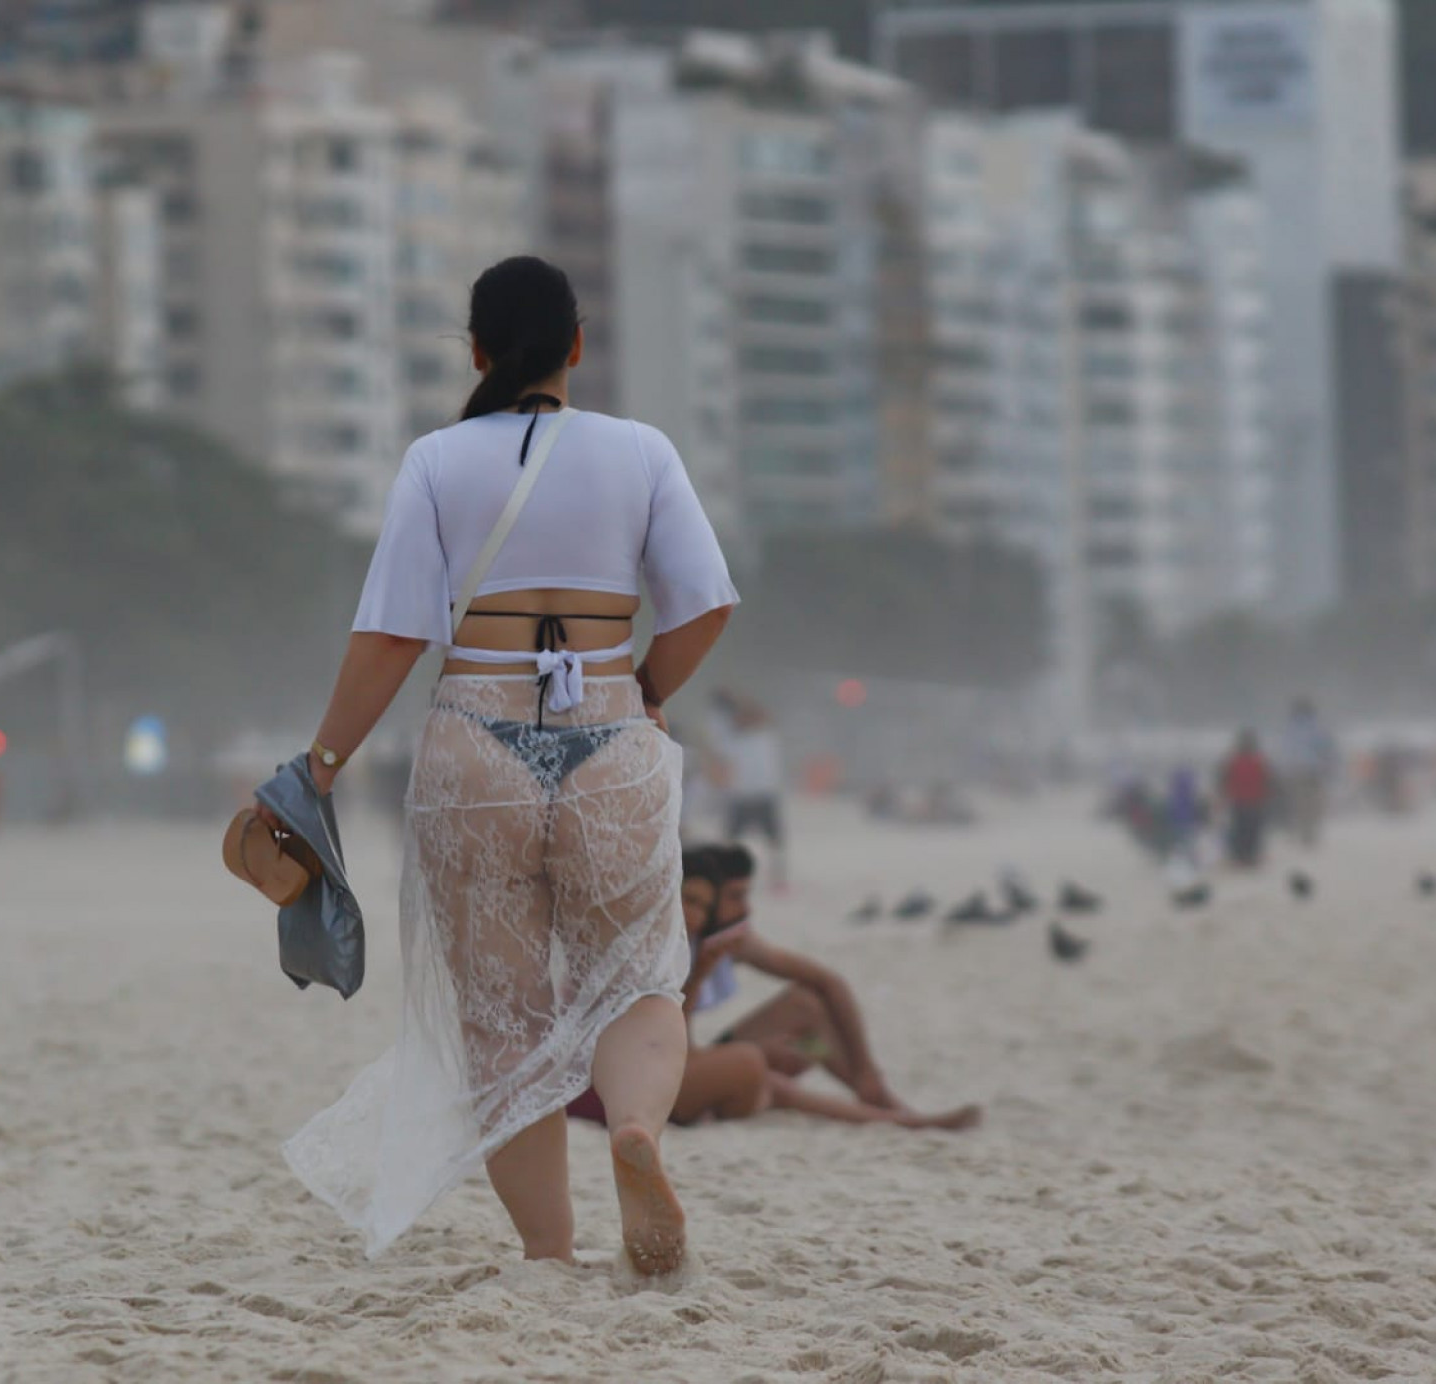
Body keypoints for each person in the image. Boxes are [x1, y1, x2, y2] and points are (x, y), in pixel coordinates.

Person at [278, 256, 739, 1277]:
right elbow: (706, 604)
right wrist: (649, 690)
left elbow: (391, 637)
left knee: (504, 1012)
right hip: (611, 735)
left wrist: (320, 764)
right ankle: (634, 1132)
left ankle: (550, 1251)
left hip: (475, 738)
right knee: (639, 979)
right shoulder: (642, 453)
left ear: (478, 353)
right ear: (578, 346)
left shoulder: (438, 462)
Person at [673, 849, 980, 1129]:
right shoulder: (672, 943)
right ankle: (897, 1118)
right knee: (760, 1067)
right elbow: (671, 1042)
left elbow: (828, 981)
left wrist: (866, 1069)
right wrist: (699, 975)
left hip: (694, 1054)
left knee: (806, 1019)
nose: (745, 908)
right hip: (677, 1062)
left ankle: (874, 1095)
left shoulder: (727, 939)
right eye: (734, 897)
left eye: (705, 904)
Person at [711, 692, 787, 888]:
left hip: (764, 795)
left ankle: (778, 878)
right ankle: (726, 876)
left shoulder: (765, 735)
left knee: (775, 841)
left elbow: (764, 714)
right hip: (741, 796)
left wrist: (741, 703)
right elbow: (720, 761)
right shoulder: (731, 740)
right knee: (730, 841)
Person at [1275, 698, 1336, 848]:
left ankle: (1300, 831)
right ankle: (1309, 833)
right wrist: (1328, 767)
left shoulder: (1288, 729)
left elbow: (1283, 751)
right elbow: (1327, 749)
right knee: (1313, 805)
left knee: (1297, 804)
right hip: (1313, 772)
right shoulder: (1316, 728)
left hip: (1293, 772)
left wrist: (1282, 771)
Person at [1219, 730, 1273, 868]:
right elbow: (1267, 781)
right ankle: (1250, 856)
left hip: (1239, 801)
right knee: (1252, 830)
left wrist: (1223, 794)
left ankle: (1240, 856)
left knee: (1240, 829)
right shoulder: (1260, 761)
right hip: (1254, 801)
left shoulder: (1233, 761)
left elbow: (1224, 779)